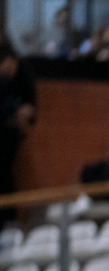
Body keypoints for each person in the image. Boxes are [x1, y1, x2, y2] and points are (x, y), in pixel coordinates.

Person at [0, 39, 36, 225]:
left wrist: (20, 116)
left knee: (5, 176)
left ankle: (9, 221)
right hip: (7, 129)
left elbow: (30, 108)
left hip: (9, 136)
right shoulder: (3, 81)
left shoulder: (22, 71)